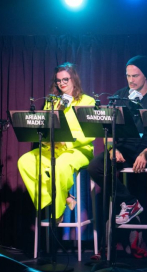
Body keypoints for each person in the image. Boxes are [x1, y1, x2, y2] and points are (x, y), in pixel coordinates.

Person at [87, 55, 147, 226]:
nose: (131, 80)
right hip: (125, 147)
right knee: (96, 166)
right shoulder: (119, 96)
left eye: (135, 76)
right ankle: (130, 203)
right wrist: (112, 149)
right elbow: (108, 131)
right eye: (128, 76)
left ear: (145, 75)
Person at [18, 62, 95, 223]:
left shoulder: (88, 101)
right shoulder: (52, 102)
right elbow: (45, 128)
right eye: (58, 81)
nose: (62, 84)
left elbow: (89, 134)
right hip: (54, 148)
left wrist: (66, 143)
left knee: (60, 166)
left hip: (79, 149)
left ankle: (57, 212)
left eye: (65, 79)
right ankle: (55, 199)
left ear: (74, 79)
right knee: (25, 161)